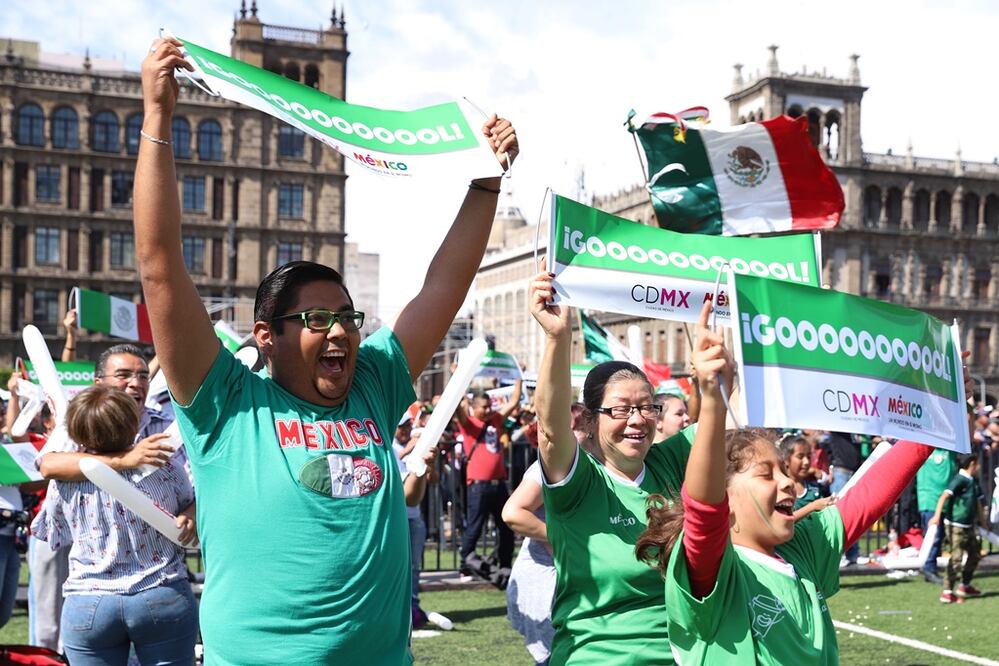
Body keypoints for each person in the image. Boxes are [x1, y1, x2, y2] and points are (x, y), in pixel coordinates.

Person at [134, 37, 517, 664]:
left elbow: (444, 287)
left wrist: (486, 181)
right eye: (316, 319)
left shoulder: (374, 382)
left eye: (346, 317)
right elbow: (159, 267)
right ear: (267, 336)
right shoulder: (224, 404)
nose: (339, 332)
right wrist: (158, 116)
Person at [636, 302, 969, 664]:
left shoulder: (802, 547)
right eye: (766, 474)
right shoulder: (714, 570)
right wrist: (713, 398)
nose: (789, 484)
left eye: (784, 470)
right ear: (725, 501)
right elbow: (703, 509)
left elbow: (870, 494)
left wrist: (938, 411)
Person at [528, 269, 693, 664]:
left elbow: (732, 409)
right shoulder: (578, 482)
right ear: (588, 420)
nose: (637, 419)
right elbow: (550, 432)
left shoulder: (668, 461)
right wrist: (557, 338)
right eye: (621, 409)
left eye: (647, 407)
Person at [31, 384, 198, 665]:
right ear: (133, 423)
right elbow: (189, 505)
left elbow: (53, 531)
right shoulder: (166, 468)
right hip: (161, 592)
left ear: (74, 431)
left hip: (89, 600)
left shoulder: (64, 480)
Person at [455, 380, 522, 582]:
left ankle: (505, 566)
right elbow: (457, 408)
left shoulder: (496, 421)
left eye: (489, 406)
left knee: (506, 528)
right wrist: (460, 377)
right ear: (473, 408)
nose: (487, 410)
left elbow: (514, 401)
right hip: (478, 485)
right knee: (475, 527)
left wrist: (517, 378)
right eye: (483, 407)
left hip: (498, 484)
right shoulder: (468, 424)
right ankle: (465, 566)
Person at [930, 453, 987, 603]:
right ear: (972, 464)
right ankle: (947, 591)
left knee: (975, 555)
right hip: (956, 525)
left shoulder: (973, 482)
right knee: (956, 558)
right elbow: (944, 496)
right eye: (978, 464)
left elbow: (979, 504)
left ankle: (965, 585)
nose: (979, 467)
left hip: (969, 526)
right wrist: (936, 517)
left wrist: (983, 522)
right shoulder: (959, 480)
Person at [916, 447, 957, 584]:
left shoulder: (949, 448)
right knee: (934, 535)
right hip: (928, 498)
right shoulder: (923, 448)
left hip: (945, 500)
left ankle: (930, 567)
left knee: (939, 537)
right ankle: (929, 568)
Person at [778, 433, 835, 521]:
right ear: (786, 459)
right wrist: (812, 507)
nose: (806, 462)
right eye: (800, 456)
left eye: (808, 456)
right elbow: (782, 521)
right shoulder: (781, 490)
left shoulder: (814, 489)